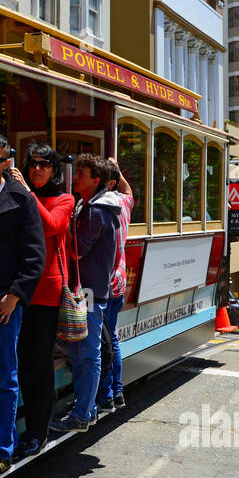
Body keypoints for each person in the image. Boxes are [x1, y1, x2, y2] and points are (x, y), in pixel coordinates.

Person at [0, 133, 44, 478]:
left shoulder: (21, 198)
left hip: (2, 301)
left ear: (7, 162)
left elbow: (35, 256)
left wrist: (15, 296)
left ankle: (2, 451)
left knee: (3, 376)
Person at [50, 154, 122, 434]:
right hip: (94, 289)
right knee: (84, 352)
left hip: (89, 291)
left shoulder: (94, 211)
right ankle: (85, 408)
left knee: (86, 354)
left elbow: (77, 251)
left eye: (82, 173)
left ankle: (82, 413)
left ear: (97, 180)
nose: (76, 176)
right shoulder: (95, 206)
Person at [11, 143, 74, 458]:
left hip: (45, 291)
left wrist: (26, 192)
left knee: (38, 363)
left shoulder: (64, 198)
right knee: (18, 362)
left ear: (54, 169)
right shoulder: (17, 193)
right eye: (32, 164)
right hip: (15, 289)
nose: (37, 169)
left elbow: (51, 224)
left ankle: (38, 432)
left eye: (44, 165)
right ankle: (22, 428)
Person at [96, 157, 134, 414]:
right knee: (113, 338)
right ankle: (117, 391)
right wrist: (118, 172)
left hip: (104, 283)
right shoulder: (124, 202)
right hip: (118, 282)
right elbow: (128, 190)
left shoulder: (98, 207)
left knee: (103, 342)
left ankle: (107, 394)